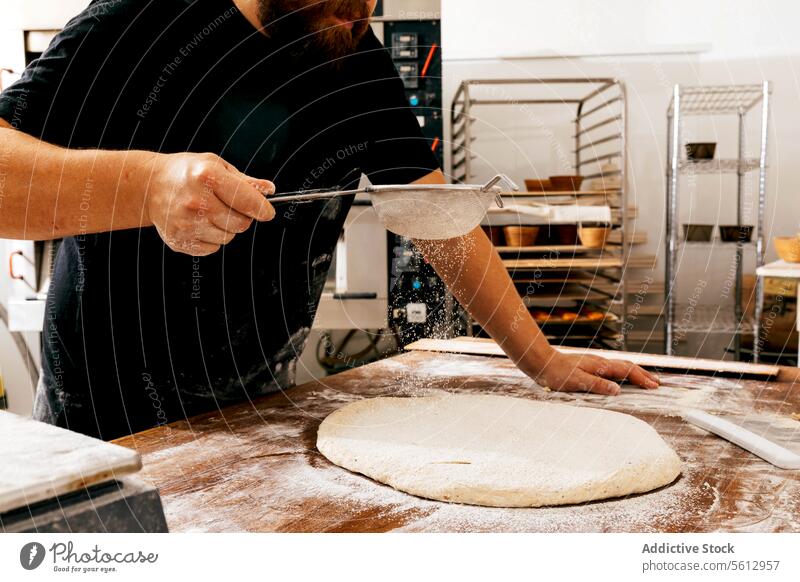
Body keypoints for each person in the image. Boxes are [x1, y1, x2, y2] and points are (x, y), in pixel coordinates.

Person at [0, 0, 659, 440]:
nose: (364, 7)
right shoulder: (144, 18)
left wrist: (540, 359)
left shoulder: (350, 46)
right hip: (102, 418)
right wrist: (147, 187)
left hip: (256, 404)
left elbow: (436, 215)